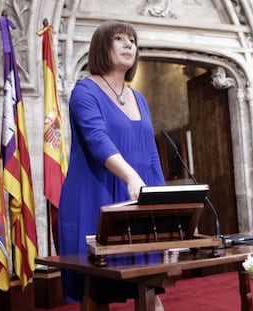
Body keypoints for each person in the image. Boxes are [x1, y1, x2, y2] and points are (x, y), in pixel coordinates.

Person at [58, 20, 165, 310]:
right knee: (97, 291)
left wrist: (164, 201)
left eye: (132, 40)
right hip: (96, 196)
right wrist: (131, 176)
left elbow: (151, 152)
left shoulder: (139, 98)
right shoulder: (85, 91)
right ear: (101, 48)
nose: (129, 44)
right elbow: (97, 140)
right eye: (119, 39)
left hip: (135, 200)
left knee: (149, 285)